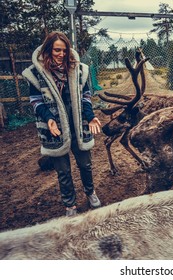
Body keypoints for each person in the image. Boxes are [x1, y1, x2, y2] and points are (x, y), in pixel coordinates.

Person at [22, 31, 102, 217]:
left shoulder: (79, 70)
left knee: (85, 165)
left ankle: (90, 193)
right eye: (57, 50)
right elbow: (36, 100)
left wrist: (90, 116)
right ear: (48, 49)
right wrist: (49, 118)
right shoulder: (36, 73)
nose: (61, 54)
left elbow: (86, 96)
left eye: (64, 50)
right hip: (54, 129)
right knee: (63, 171)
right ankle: (70, 204)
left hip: (78, 126)